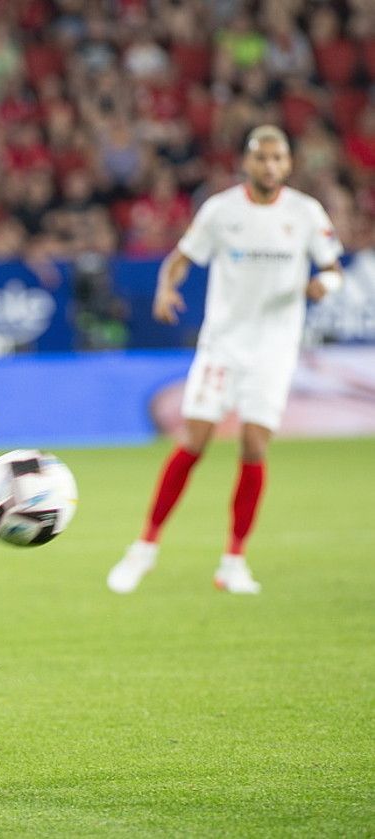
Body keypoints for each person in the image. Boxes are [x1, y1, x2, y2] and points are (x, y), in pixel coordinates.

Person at [107, 125, 344, 595]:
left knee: (255, 446)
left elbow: (334, 267)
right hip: (223, 345)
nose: (271, 167)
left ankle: (233, 562)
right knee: (194, 439)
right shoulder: (221, 211)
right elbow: (180, 257)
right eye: (262, 159)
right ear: (247, 163)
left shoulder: (305, 212)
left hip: (274, 349)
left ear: (289, 164)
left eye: (279, 159)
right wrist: (166, 285)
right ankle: (144, 547)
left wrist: (325, 286)